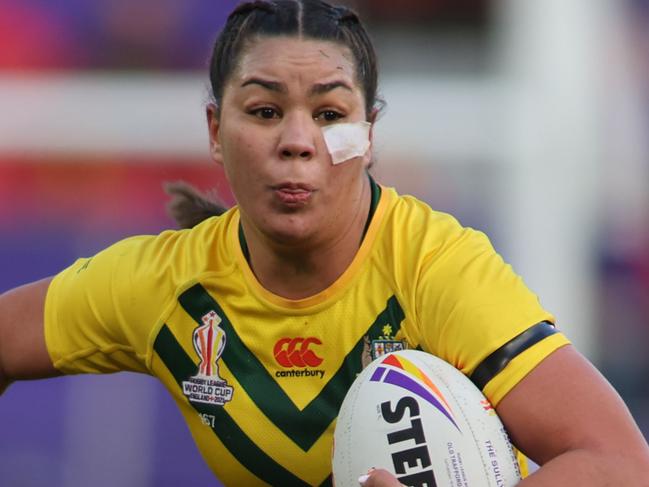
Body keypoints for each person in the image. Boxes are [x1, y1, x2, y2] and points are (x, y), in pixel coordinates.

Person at [1, 1, 649, 485]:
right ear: (213, 130)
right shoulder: (164, 284)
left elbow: (619, 460)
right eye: (262, 111)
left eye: (331, 113)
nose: (296, 140)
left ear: (368, 133)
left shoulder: (436, 268)